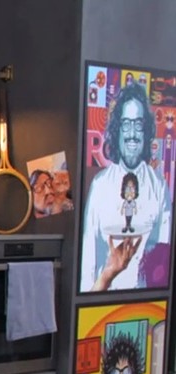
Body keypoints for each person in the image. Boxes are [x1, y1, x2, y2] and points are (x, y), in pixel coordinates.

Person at [81, 81, 172, 291]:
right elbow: (87, 258)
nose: (132, 133)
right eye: (126, 124)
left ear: (146, 131)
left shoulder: (159, 186)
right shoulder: (100, 185)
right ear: (117, 130)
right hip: (102, 298)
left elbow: (163, 259)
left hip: (145, 301)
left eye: (138, 124)